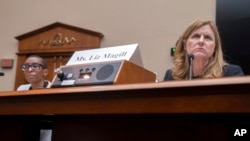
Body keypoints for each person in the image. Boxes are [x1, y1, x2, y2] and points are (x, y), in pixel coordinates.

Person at [164, 20, 244, 81]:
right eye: (196, 36)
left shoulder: (232, 74)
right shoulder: (171, 76)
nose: (201, 41)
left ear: (215, 48)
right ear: (185, 45)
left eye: (207, 38)